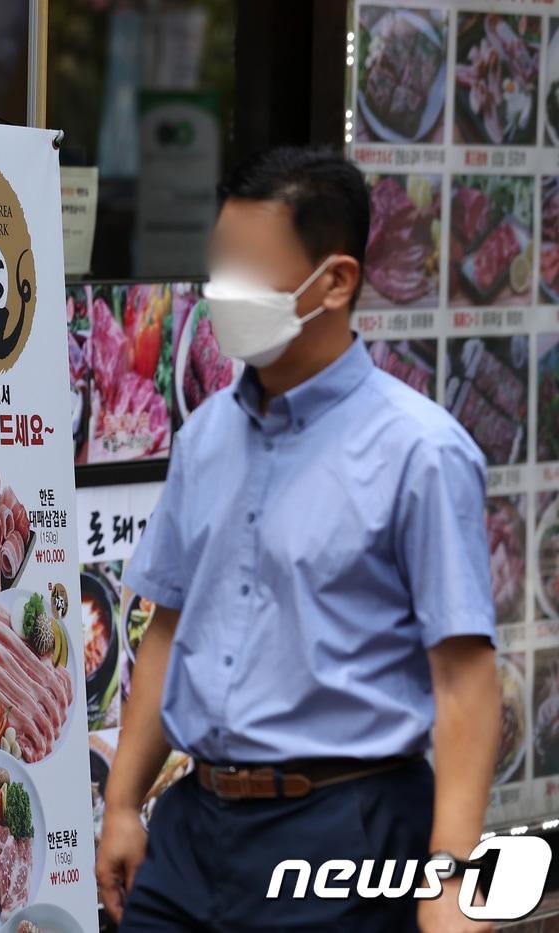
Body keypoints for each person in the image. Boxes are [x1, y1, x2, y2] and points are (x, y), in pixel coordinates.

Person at [95, 147, 499, 933]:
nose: (222, 294)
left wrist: (450, 880)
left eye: (250, 270)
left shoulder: (421, 452)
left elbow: (465, 683)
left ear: (336, 281)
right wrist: (121, 802)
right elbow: (168, 629)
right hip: (191, 827)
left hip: (342, 826)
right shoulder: (207, 432)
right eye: (221, 266)